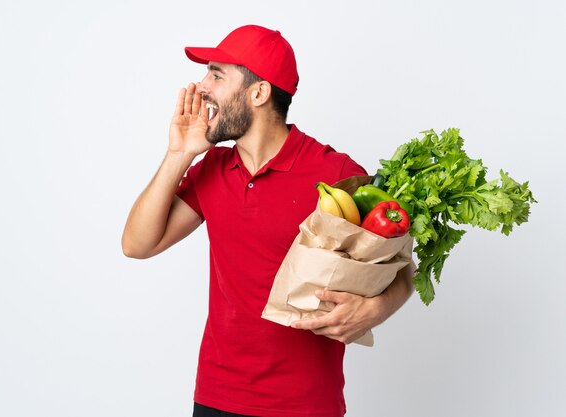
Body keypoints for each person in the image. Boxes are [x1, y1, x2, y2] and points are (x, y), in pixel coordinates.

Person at [122, 24, 415, 417]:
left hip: (305, 404)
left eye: (216, 74)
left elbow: (401, 266)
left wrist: (377, 308)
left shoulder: (337, 175)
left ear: (258, 93)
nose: (201, 86)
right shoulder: (212, 168)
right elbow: (137, 245)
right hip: (217, 397)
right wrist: (178, 154)